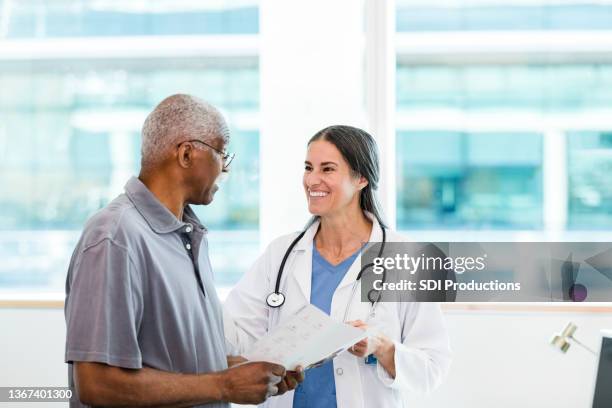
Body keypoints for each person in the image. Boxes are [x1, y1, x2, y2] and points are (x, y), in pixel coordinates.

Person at [64, 94, 302, 407]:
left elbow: (176, 362)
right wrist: (223, 385)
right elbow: (97, 384)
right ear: (187, 154)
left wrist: (242, 373)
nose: (225, 170)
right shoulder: (114, 237)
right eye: (223, 155)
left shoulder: (187, 236)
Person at [223, 125, 452, 408]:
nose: (312, 180)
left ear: (362, 179)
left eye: (327, 169)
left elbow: (433, 367)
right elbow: (235, 336)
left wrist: (381, 346)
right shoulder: (281, 254)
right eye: (309, 168)